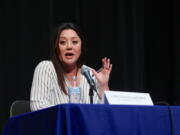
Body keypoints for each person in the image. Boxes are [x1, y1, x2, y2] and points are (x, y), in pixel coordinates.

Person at [30, 22, 112, 111]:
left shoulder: (89, 73)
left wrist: (103, 86)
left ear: (81, 46)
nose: (69, 46)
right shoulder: (46, 68)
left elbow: (102, 114)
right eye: (63, 42)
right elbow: (38, 107)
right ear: (56, 47)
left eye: (74, 42)